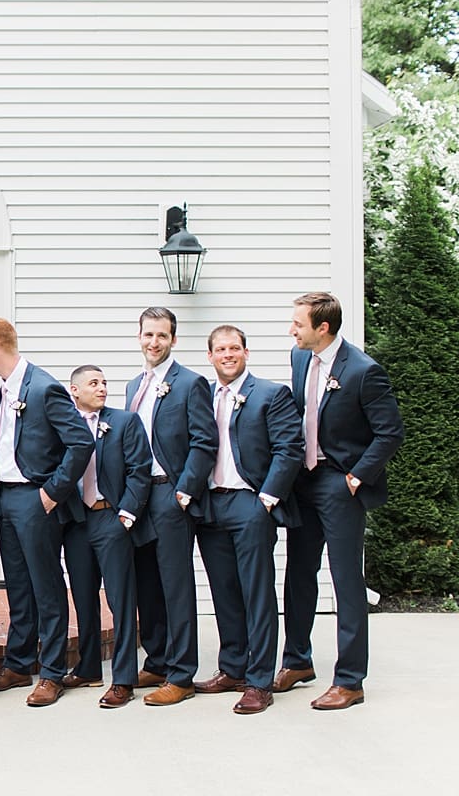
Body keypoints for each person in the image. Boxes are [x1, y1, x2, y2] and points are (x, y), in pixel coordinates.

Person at [277, 292, 404, 710]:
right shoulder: (300, 360)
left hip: (339, 483)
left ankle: (350, 680)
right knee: (298, 573)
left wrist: (354, 478)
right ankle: (297, 661)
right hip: (304, 482)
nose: (291, 330)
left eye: (298, 324)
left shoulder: (364, 372)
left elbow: (390, 433)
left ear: (322, 328)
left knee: (346, 580)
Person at [0, 317, 93, 708]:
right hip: (3, 497)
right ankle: (20, 662)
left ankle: (53, 672)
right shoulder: (5, 390)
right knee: (17, 586)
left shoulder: (42, 387)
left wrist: (52, 492)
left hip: (34, 498)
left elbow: (80, 442)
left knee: (46, 586)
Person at [193, 326, 303, 715]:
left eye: (234, 348)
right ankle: (232, 668)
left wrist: (267, 500)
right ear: (210, 356)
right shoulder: (200, 394)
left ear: (246, 352)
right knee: (224, 593)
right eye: (220, 349)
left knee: (256, 593)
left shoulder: (270, 395)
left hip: (251, 505)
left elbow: (290, 449)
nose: (228, 354)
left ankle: (259, 681)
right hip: (210, 508)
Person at [124, 307, 216, 707]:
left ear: (174, 340)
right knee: (147, 583)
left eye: (162, 336)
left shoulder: (190, 383)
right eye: (148, 335)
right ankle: (158, 659)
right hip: (138, 496)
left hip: (169, 494)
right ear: (139, 337)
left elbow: (204, 441)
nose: (154, 343)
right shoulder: (133, 385)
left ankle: (182, 674)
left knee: (175, 585)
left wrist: (185, 489)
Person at [63, 364, 152, 709]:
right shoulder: (65, 424)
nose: (102, 388)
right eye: (93, 383)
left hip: (110, 519)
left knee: (120, 600)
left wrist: (125, 516)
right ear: (74, 390)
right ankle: (87, 667)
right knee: (83, 598)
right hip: (76, 522)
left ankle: (125, 678)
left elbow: (139, 470)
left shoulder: (124, 422)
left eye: (104, 383)